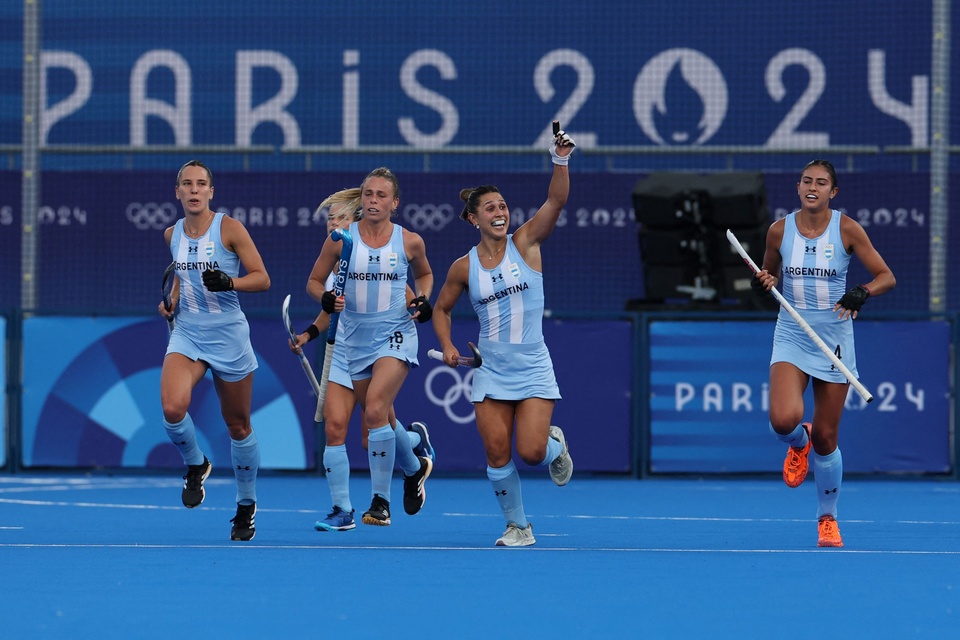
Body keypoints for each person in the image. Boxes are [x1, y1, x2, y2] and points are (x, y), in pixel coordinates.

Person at [431, 126, 576, 547]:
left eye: (504, 206)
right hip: (490, 368)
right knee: (496, 453)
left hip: (532, 365)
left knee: (531, 454)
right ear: (473, 218)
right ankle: (518, 527)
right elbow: (441, 309)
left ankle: (555, 447)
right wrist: (449, 344)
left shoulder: (527, 243)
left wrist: (560, 159)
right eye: (490, 207)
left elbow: (556, 200)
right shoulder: (463, 267)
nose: (500, 212)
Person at [752, 159, 895, 548]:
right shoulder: (779, 230)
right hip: (793, 335)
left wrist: (862, 291)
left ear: (833, 192)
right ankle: (799, 442)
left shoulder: (846, 229)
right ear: (798, 188)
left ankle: (827, 518)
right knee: (783, 420)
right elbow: (769, 274)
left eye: (821, 183)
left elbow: (887, 277)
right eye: (806, 181)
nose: (812, 187)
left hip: (833, 341)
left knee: (828, 439)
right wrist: (764, 280)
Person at [289, 189, 434, 532]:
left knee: (374, 422)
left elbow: (407, 294)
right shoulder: (335, 254)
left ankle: (389, 491)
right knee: (337, 427)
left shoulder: (386, 248)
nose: (333, 224)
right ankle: (342, 509)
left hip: (386, 340)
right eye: (330, 218)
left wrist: (420, 304)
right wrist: (309, 333)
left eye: (340, 217)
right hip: (346, 346)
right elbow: (328, 307)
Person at [158, 159, 271, 542]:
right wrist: (171, 302)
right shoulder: (171, 233)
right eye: (186, 184)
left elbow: (262, 279)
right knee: (173, 410)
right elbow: (179, 277)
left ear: (211, 191)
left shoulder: (230, 229)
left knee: (238, 426)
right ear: (177, 192)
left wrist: (231, 282)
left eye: (200, 184)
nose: (193, 190)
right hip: (188, 334)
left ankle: (245, 505)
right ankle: (196, 463)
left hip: (228, 337)